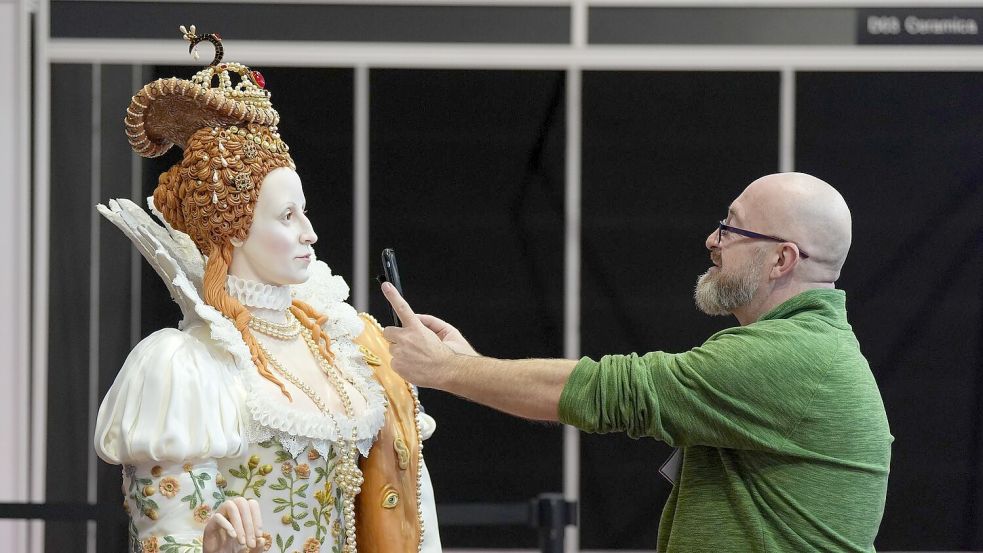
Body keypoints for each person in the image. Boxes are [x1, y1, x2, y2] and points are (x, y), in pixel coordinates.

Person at [380, 172, 892, 552]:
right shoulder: (810, 351)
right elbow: (591, 399)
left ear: (781, 259)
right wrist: (467, 364)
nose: (712, 241)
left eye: (732, 229)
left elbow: (606, 392)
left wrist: (446, 370)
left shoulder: (789, 358)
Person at [95, 26, 441, 553]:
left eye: (303, 211)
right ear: (233, 226)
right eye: (287, 216)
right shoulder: (186, 367)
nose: (310, 232)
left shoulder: (343, 344)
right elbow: (163, 540)